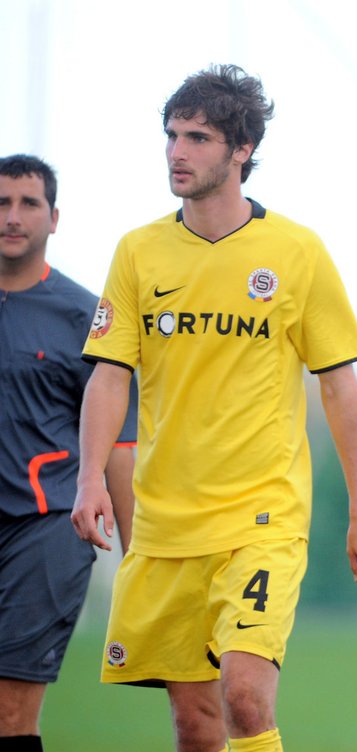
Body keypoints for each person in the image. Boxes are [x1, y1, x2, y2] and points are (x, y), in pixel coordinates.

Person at [70, 65, 357, 752]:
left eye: (197, 137)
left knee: (245, 698)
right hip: (164, 525)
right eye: (171, 136)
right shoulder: (137, 251)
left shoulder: (296, 252)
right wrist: (91, 476)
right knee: (196, 724)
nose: (176, 152)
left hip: (261, 518)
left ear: (241, 149)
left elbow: (339, 388)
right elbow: (108, 376)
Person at [0, 154, 137, 752]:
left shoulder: (86, 317)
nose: (13, 216)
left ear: (54, 218)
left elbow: (120, 446)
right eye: (2, 202)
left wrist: (139, 564)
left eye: (28, 203)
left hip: (44, 527)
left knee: (8, 709)